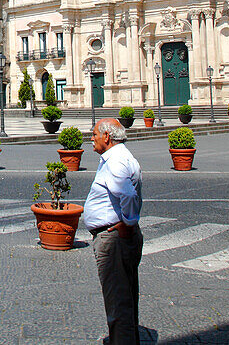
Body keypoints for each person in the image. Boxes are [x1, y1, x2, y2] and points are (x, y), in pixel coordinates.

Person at [82, 118, 143, 345]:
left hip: (115, 238)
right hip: (119, 235)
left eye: (95, 134)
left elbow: (127, 194)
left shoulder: (116, 161)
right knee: (126, 297)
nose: (92, 138)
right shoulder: (122, 157)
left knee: (118, 302)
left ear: (107, 137)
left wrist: (127, 224)